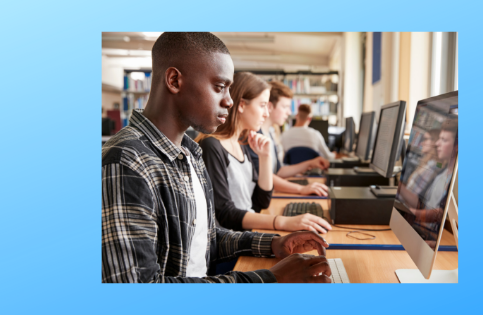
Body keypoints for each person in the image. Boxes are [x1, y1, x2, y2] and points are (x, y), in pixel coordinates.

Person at [102, 32, 331, 283]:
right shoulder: (126, 161)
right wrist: (267, 279)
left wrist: (273, 243)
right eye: (219, 87)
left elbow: (209, 238)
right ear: (174, 80)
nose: (230, 101)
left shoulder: (191, 153)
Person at [196, 72, 332, 234]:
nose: (266, 114)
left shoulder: (242, 143)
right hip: (231, 244)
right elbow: (225, 214)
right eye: (262, 106)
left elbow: (261, 202)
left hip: (248, 234)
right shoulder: (212, 146)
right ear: (241, 105)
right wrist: (282, 222)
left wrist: (265, 157)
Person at [245, 81, 330, 197]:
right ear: (269, 106)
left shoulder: (270, 133)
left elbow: (279, 171)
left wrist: (310, 163)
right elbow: (263, 175)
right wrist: (301, 189)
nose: (289, 112)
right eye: (285, 107)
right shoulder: (254, 136)